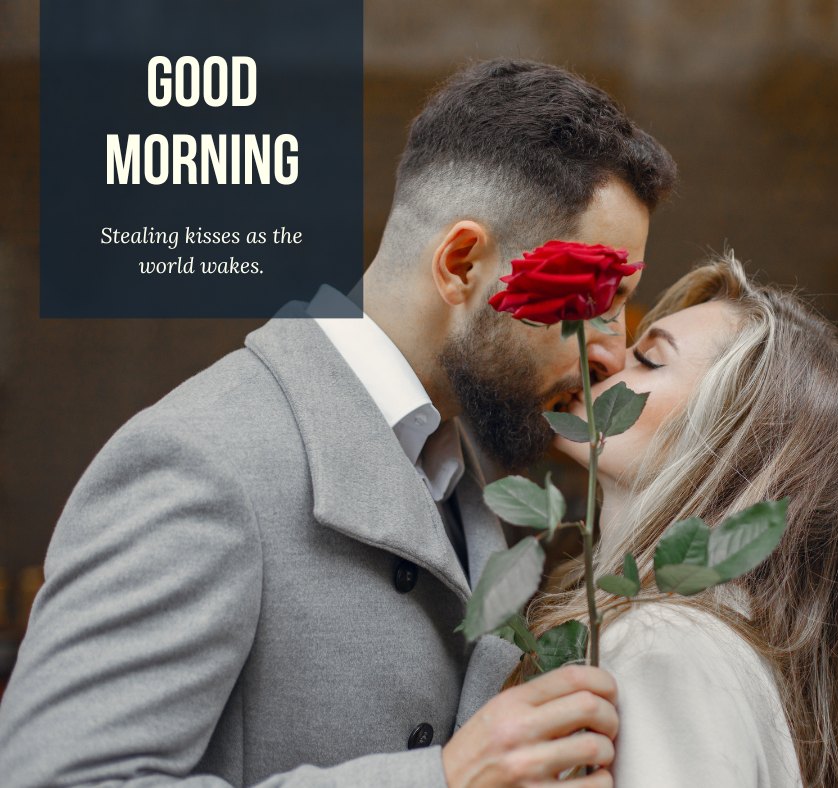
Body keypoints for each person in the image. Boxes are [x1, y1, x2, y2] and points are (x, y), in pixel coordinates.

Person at [0, 60, 676, 786]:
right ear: (461, 264)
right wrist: (442, 780)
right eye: (595, 299)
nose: (611, 350)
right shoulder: (202, 458)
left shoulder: (459, 465)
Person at [512, 255, 838, 786]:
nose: (607, 361)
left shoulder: (665, 645)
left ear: (730, 446)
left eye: (649, 359)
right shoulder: (717, 644)